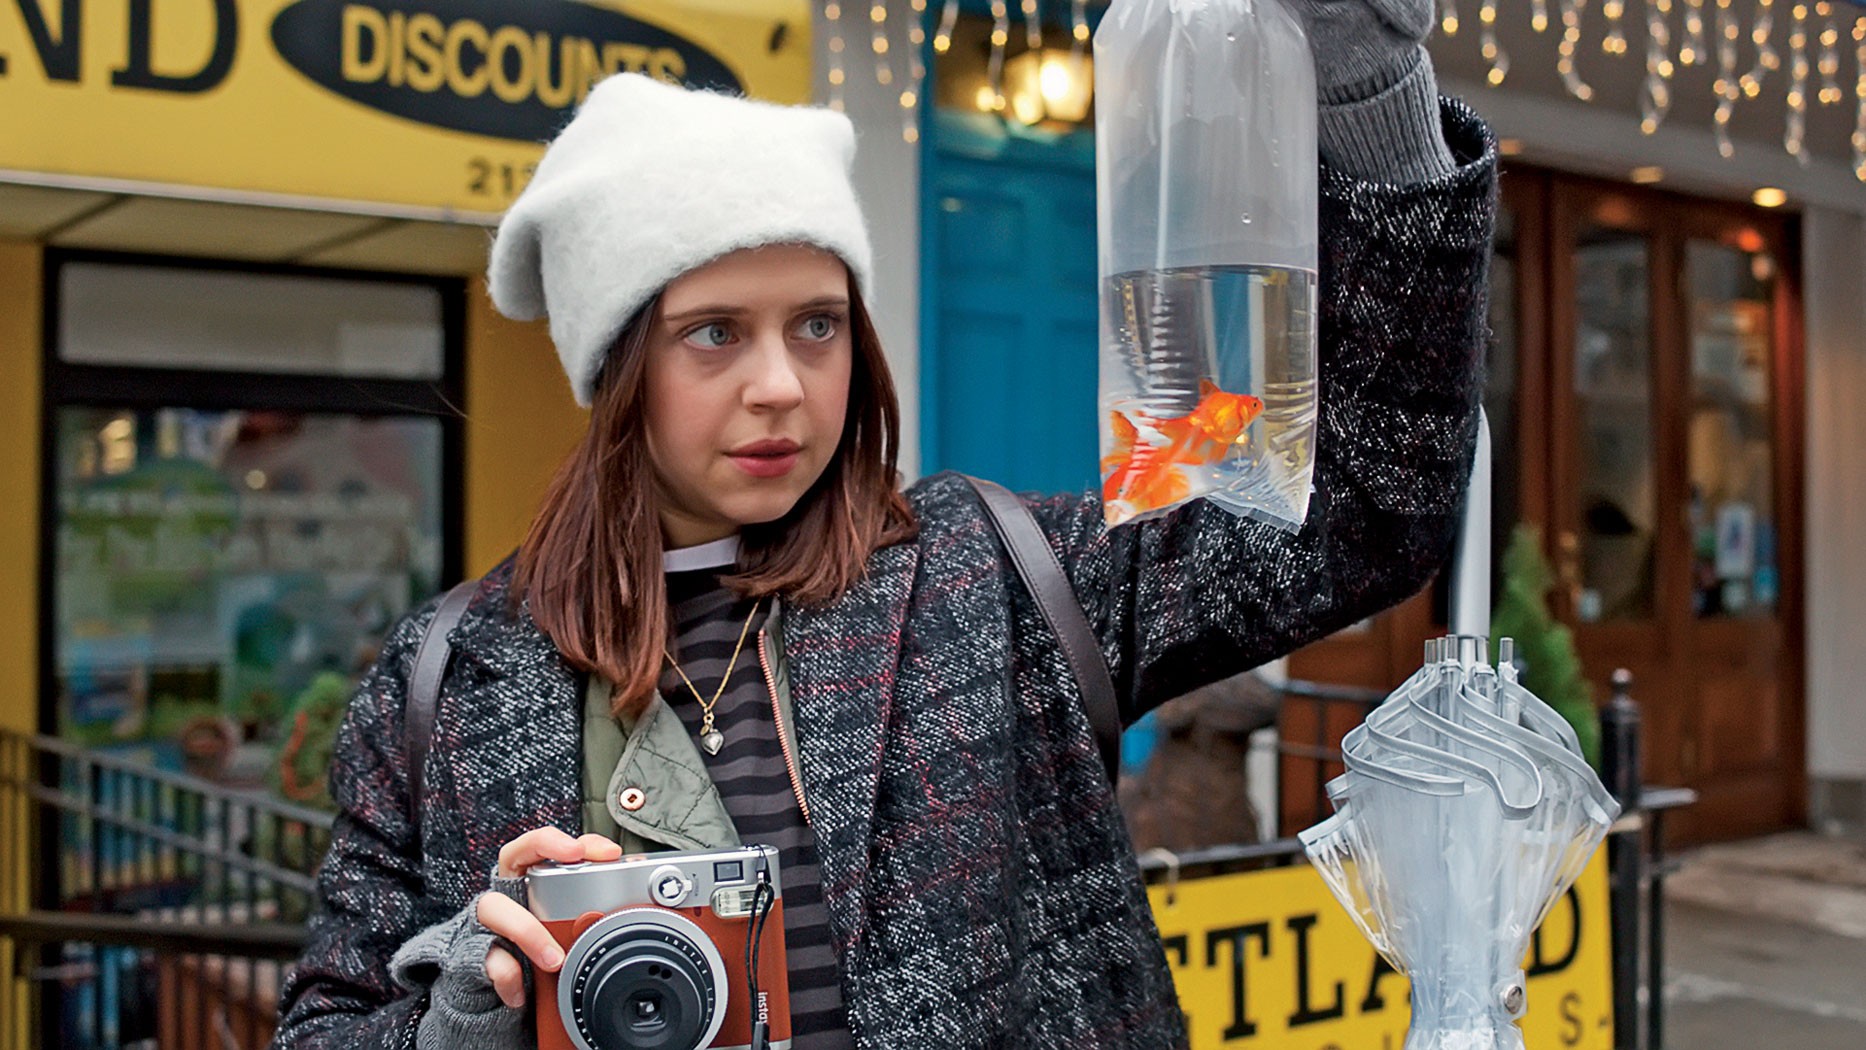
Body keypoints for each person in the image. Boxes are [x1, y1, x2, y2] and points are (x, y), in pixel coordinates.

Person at [273, 1, 1496, 1045]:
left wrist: (1365, 85)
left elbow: (1365, 514)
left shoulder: (992, 574)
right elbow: (327, 1020)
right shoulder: (451, 678)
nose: (781, 386)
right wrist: (462, 1016)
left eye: (816, 324)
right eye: (714, 333)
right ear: (615, 369)